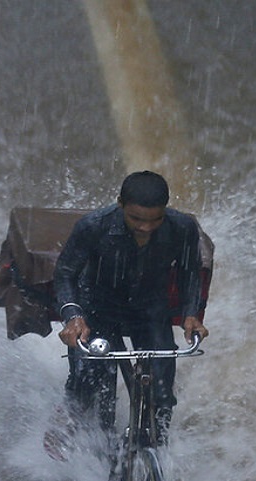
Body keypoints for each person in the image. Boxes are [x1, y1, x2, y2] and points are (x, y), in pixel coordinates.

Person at [52, 171, 209, 447]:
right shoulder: (93, 226)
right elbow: (65, 274)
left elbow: (190, 274)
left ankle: (156, 455)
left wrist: (191, 313)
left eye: (155, 220)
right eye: (136, 219)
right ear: (120, 204)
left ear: (166, 210)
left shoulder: (182, 227)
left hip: (149, 310)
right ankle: (76, 424)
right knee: (92, 384)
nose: (146, 227)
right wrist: (74, 317)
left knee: (161, 389)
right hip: (98, 308)